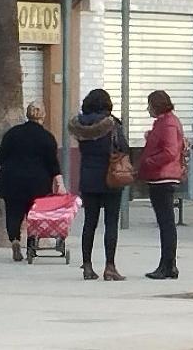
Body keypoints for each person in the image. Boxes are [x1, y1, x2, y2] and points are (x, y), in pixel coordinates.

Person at [0, 101, 63, 262]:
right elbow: (53, 163)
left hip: (12, 180)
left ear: (27, 114)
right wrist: (60, 183)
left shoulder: (13, 133)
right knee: (34, 216)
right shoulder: (47, 137)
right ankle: (31, 247)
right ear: (43, 116)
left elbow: (1, 157)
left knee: (13, 213)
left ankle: (15, 241)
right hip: (37, 183)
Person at [69, 89, 127, 281]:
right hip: (111, 178)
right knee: (111, 223)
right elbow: (123, 147)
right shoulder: (112, 124)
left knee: (90, 223)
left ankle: (87, 266)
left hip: (88, 177)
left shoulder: (78, 125)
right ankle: (110, 266)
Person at [139, 90, 185, 280]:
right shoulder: (165, 122)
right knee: (166, 222)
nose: (147, 108)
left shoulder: (167, 123)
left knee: (166, 223)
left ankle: (168, 265)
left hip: (163, 177)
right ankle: (167, 264)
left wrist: (149, 161)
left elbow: (170, 151)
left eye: (149, 104)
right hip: (162, 176)